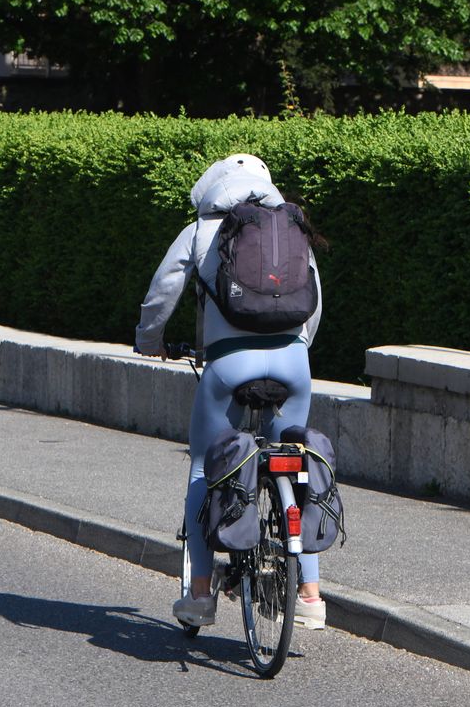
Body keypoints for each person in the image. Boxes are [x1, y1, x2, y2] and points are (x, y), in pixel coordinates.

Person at [134, 153, 327, 630]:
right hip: (293, 363)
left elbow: (163, 292)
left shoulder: (202, 231)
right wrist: (298, 348)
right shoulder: (291, 229)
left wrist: (150, 342)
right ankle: (310, 593)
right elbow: (314, 301)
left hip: (228, 366)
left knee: (205, 463)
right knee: (294, 455)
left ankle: (200, 592)